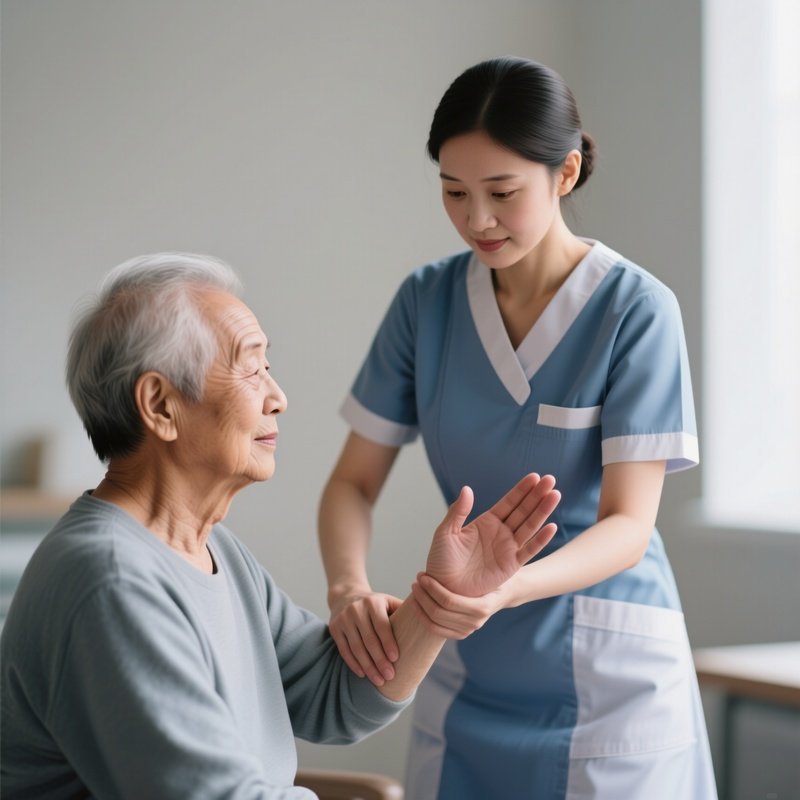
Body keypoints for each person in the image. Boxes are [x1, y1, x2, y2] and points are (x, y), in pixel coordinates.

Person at [0, 252, 562, 799]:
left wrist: (442, 602)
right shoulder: (110, 580)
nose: (279, 398)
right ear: (161, 405)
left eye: (269, 368)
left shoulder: (213, 549)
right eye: (251, 369)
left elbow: (336, 694)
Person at [318, 57, 718, 799]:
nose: (478, 220)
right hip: (467, 660)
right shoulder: (426, 303)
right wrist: (348, 590)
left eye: (503, 193)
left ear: (564, 174)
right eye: (454, 193)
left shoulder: (635, 310)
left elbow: (629, 524)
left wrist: (503, 590)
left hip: (607, 678)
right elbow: (351, 481)